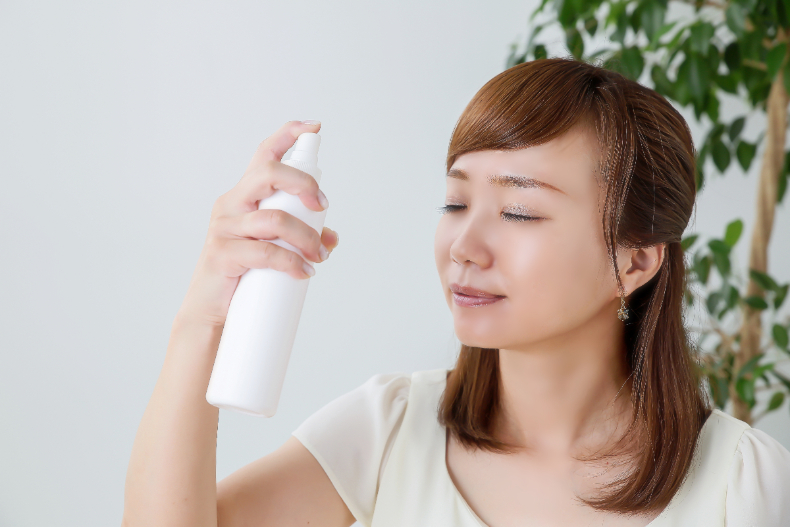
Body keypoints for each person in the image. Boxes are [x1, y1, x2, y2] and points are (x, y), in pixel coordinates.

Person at [122, 58, 790, 527]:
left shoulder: (743, 482)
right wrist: (202, 319)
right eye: (455, 202)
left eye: (519, 212)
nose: (464, 245)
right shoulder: (388, 430)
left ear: (634, 261)